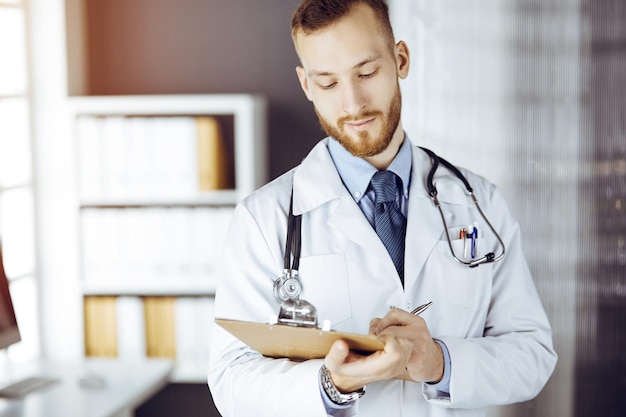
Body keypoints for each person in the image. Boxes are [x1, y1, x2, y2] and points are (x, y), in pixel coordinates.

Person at [207, 0, 557, 416]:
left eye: (367, 72)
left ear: (400, 59)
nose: (353, 103)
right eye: (327, 83)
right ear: (306, 85)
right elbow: (230, 380)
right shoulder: (264, 219)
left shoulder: (479, 202)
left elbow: (532, 355)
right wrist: (330, 383)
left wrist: (439, 363)